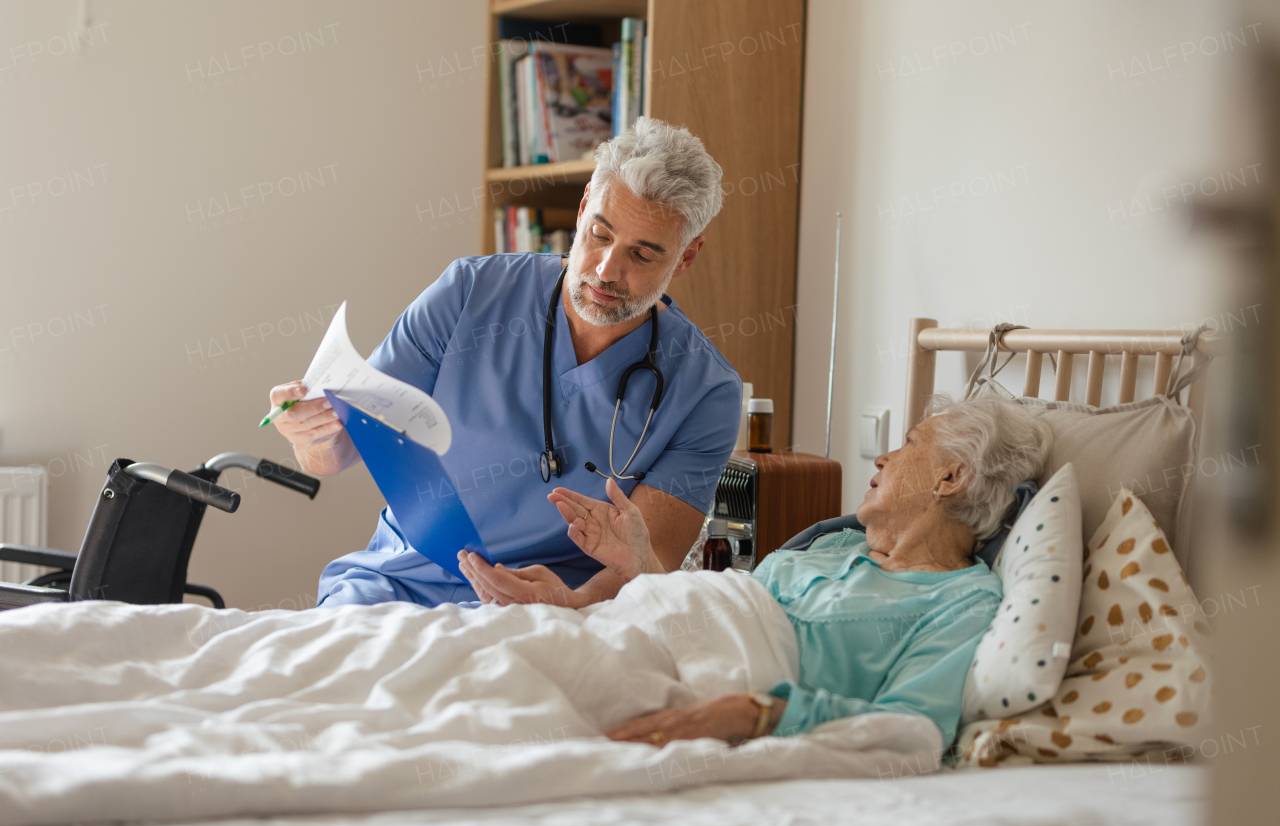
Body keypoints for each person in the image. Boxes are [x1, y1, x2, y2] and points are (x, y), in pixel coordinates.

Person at [268, 118, 742, 608]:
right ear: (582, 210)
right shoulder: (469, 294)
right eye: (600, 234)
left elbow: (650, 564)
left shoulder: (706, 392)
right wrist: (312, 432)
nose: (606, 271)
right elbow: (336, 453)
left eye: (642, 255)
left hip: (547, 606)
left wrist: (568, 603)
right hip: (399, 581)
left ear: (685, 258)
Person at [460, 395, 1053, 748]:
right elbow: (704, 613)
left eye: (908, 444)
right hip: (646, 635)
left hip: (726, 676)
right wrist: (593, 596)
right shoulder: (833, 546)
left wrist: (759, 711)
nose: (883, 456)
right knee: (467, 661)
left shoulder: (962, 600)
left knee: (486, 711)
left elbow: (910, 729)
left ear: (951, 479)